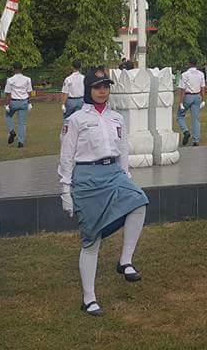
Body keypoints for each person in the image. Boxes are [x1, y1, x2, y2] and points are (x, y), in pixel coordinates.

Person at [58, 67, 149, 316]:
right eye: (97, 87)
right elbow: (66, 157)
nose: (102, 91)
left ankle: (125, 261)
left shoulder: (117, 118)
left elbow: (123, 150)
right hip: (86, 178)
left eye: (106, 87)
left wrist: (126, 177)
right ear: (88, 90)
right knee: (91, 240)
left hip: (113, 173)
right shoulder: (75, 120)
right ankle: (89, 298)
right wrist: (66, 190)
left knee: (139, 201)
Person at [177, 58, 206, 147]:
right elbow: (203, 88)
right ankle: (196, 140)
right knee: (195, 119)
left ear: (189, 63)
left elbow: (182, 89)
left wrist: (181, 102)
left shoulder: (185, 74)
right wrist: (203, 99)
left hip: (188, 96)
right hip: (197, 96)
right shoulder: (201, 74)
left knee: (180, 116)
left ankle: (186, 131)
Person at [3, 62, 33, 148]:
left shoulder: (10, 80)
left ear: (13, 69)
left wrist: (7, 104)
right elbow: (29, 92)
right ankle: (21, 142)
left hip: (14, 101)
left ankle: (11, 130)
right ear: (22, 68)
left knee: (8, 116)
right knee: (22, 123)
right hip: (24, 101)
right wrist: (29, 103)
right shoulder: (27, 79)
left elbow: (8, 93)